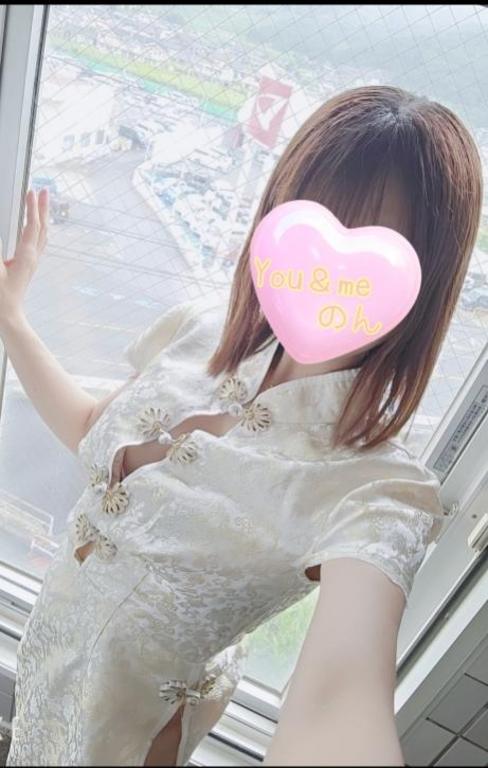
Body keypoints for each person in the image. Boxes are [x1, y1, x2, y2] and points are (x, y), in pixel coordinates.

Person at [0, 85, 482, 767]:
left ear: (421, 282)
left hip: (124, 737)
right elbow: (90, 429)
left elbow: (339, 698)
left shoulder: (372, 490)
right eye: (311, 225)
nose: (324, 272)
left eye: (368, 252)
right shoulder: (197, 334)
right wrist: (12, 318)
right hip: (50, 664)